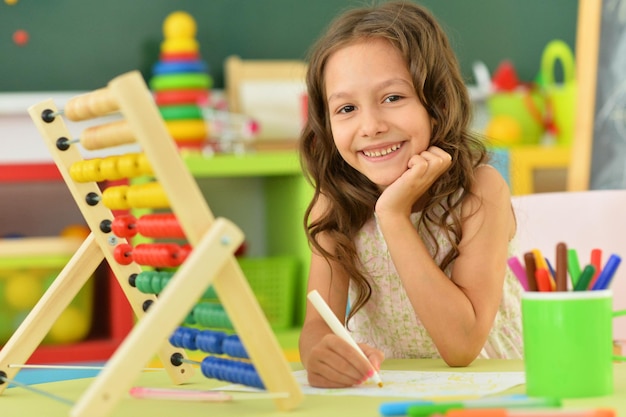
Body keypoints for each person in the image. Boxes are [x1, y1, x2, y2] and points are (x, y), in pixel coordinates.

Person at [298, 0, 523, 389]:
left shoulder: (480, 192)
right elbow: (319, 326)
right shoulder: (335, 204)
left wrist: (393, 216)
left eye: (392, 98)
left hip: (493, 393)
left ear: (436, 103)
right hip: (392, 393)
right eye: (347, 108)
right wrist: (323, 356)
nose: (370, 126)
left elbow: (461, 347)